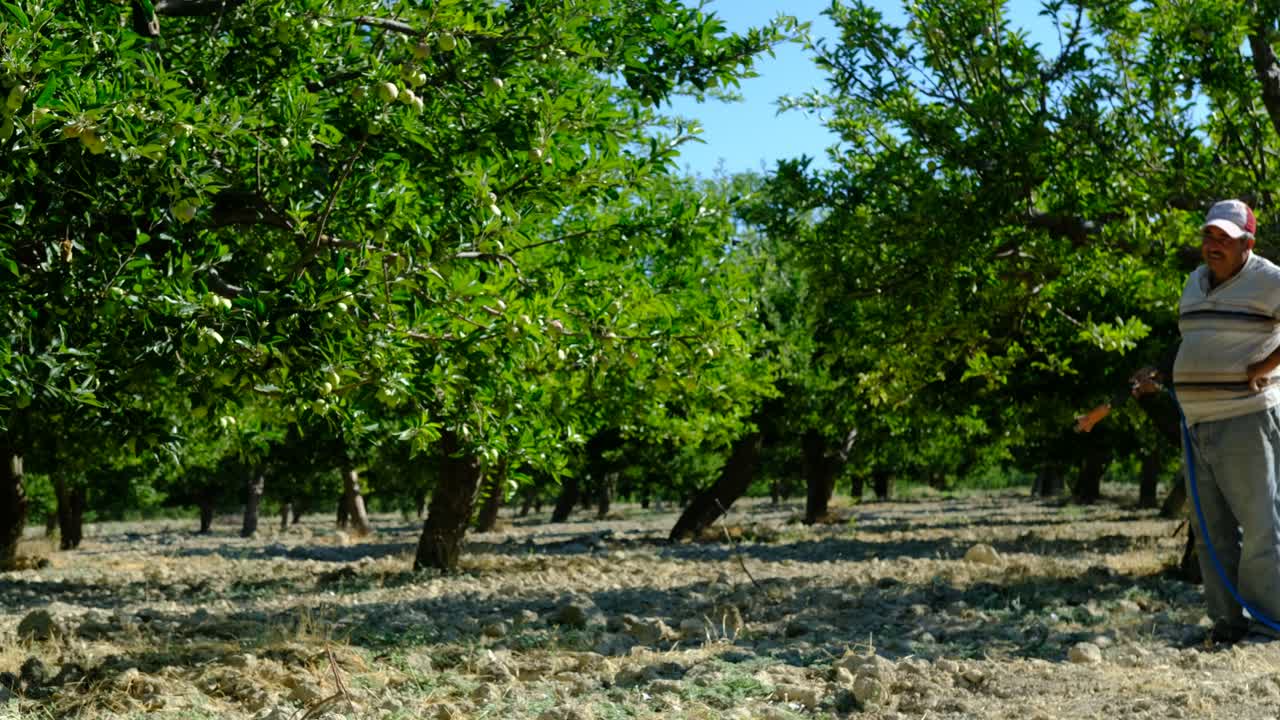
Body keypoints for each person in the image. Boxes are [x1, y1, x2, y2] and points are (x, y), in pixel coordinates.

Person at [1166, 198, 1280, 645]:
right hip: (1195, 422)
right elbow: (1193, 339)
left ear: (1247, 243)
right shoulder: (1194, 281)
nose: (1213, 246)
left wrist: (1265, 365)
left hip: (1246, 419)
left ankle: (1270, 624)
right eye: (1208, 236)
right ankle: (1228, 623)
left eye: (1224, 239)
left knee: (1261, 526)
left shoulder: (1269, 280)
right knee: (1211, 529)